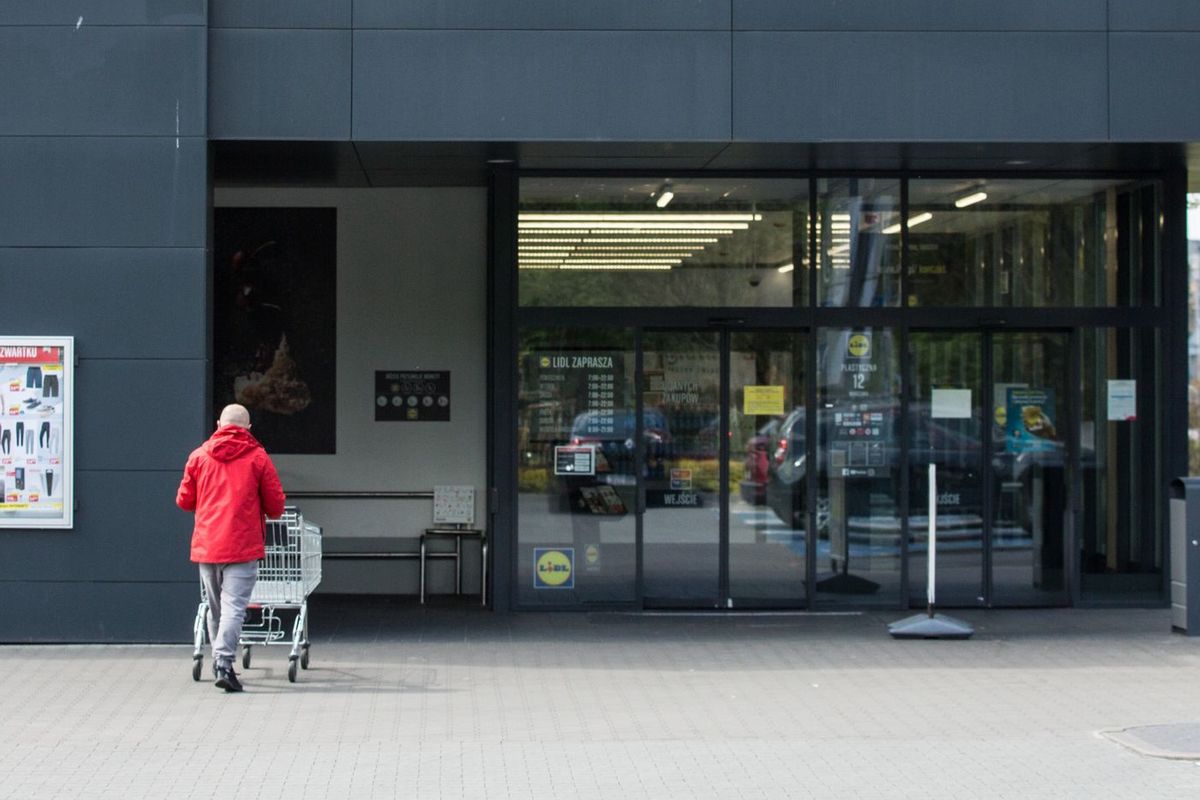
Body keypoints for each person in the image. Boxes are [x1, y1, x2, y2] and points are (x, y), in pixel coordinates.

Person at [176, 403, 285, 692]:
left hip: (208, 546)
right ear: (248, 428)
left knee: (216, 609)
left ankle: (218, 661)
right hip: (242, 545)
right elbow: (276, 506)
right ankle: (224, 663)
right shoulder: (258, 458)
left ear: (218, 425)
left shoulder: (198, 457)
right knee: (234, 608)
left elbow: (184, 501)